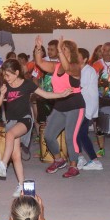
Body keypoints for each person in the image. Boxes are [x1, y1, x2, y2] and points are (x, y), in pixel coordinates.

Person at [0, 59, 71, 196]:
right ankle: (21, 186)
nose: (6, 78)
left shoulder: (27, 84)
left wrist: (61, 94)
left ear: (17, 73)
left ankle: (3, 164)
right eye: (4, 75)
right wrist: (2, 94)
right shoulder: (5, 86)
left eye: (8, 75)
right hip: (11, 121)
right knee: (16, 156)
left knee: (10, 135)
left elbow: (45, 94)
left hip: (25, 119)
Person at [33, 37, 87, 179]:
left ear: (71, 52)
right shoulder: (56, 66)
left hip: (75, 106)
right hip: (60, 106)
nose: (60, 51)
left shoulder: (75, 67)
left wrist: (60, 51)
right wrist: (38, 48)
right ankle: (59, 160)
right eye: (60, 49)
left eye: (63, 49)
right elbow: (39, 62)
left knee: (70, 137)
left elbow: (68, 68)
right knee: (49, 135)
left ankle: (74, 166)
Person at [76, 48, 102, 171]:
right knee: (78, 133)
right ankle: (80, 157)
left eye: (78, 56)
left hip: (87, 107)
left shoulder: (88, 70)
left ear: (85, 59)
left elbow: (78, 86)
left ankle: (94, 160)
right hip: (82, 106)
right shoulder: (80, 70)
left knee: (81, 133)